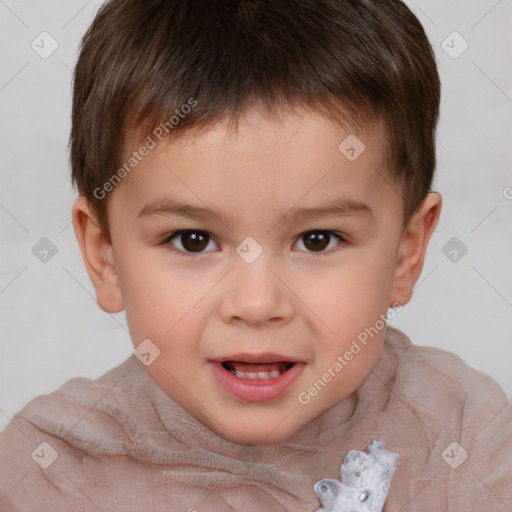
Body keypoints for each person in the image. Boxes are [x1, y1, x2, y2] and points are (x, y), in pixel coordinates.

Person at [1, 0, 511, 510]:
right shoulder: (47, 474)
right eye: (192, 240)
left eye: (318, 239)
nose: (257, 302)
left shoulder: (467, 440)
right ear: (105, 257)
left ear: (406, 252)